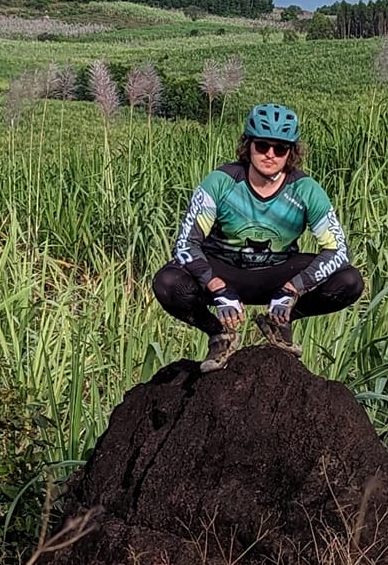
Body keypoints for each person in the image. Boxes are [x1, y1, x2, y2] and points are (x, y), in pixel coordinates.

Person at [151, 103, 364, 371]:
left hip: (278, 273)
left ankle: (280, 321)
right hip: (224, 268)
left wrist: (293, 288)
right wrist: (216, 286)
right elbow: (185, 243)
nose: (270, 155)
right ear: (248, 146)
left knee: (349, 280)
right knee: (168, 282)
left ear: (291, 152)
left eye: (280, 148)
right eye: (262, 146)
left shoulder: (306, 189)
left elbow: (337, 250)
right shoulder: (220, 182)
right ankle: (219, 334)